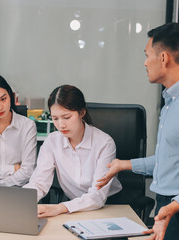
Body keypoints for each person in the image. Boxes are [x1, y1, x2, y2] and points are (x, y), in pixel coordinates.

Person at [96, 22, 179, 240]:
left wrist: (176, 205)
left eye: (147, 55)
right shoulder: (172, 101)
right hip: (168, 207)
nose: (145, 63)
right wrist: (124, 165)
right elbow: (172, 160)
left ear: (164, 58)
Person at [23, 85, 122, 218]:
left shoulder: (104, 143)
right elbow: (39, 182)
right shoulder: (52, 141)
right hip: (73, 208)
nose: (61, 125)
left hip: (110, 205)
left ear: (82, 112)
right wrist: (22, 202)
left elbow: (97, 196)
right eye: (55, 118)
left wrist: (60, 208)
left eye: (66, 117)